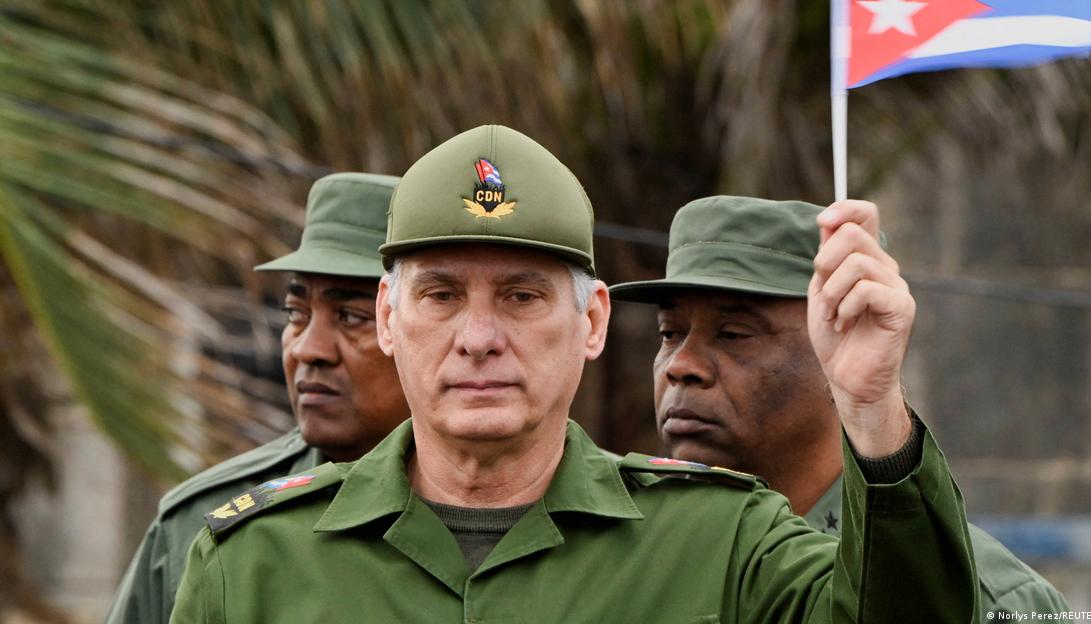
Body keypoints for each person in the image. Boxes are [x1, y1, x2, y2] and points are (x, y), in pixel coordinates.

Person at [169, 125, 978, 623]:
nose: (478, 338)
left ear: (591, 322)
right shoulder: (254, 565)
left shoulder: (722, 544)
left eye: (522, 297)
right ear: (388, 317)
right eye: (442, 296)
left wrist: (872, 407)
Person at [609, 195, 1071, 620]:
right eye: (669, 333)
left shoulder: (988, 599)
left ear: (843, 342)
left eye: (733, 334)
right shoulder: (633, 560)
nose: (681, 365)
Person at [105, 172, 410, 624]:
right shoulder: (202, 525)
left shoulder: (497, 508)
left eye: (350, 316)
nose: (308, 348)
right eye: (296, 313)